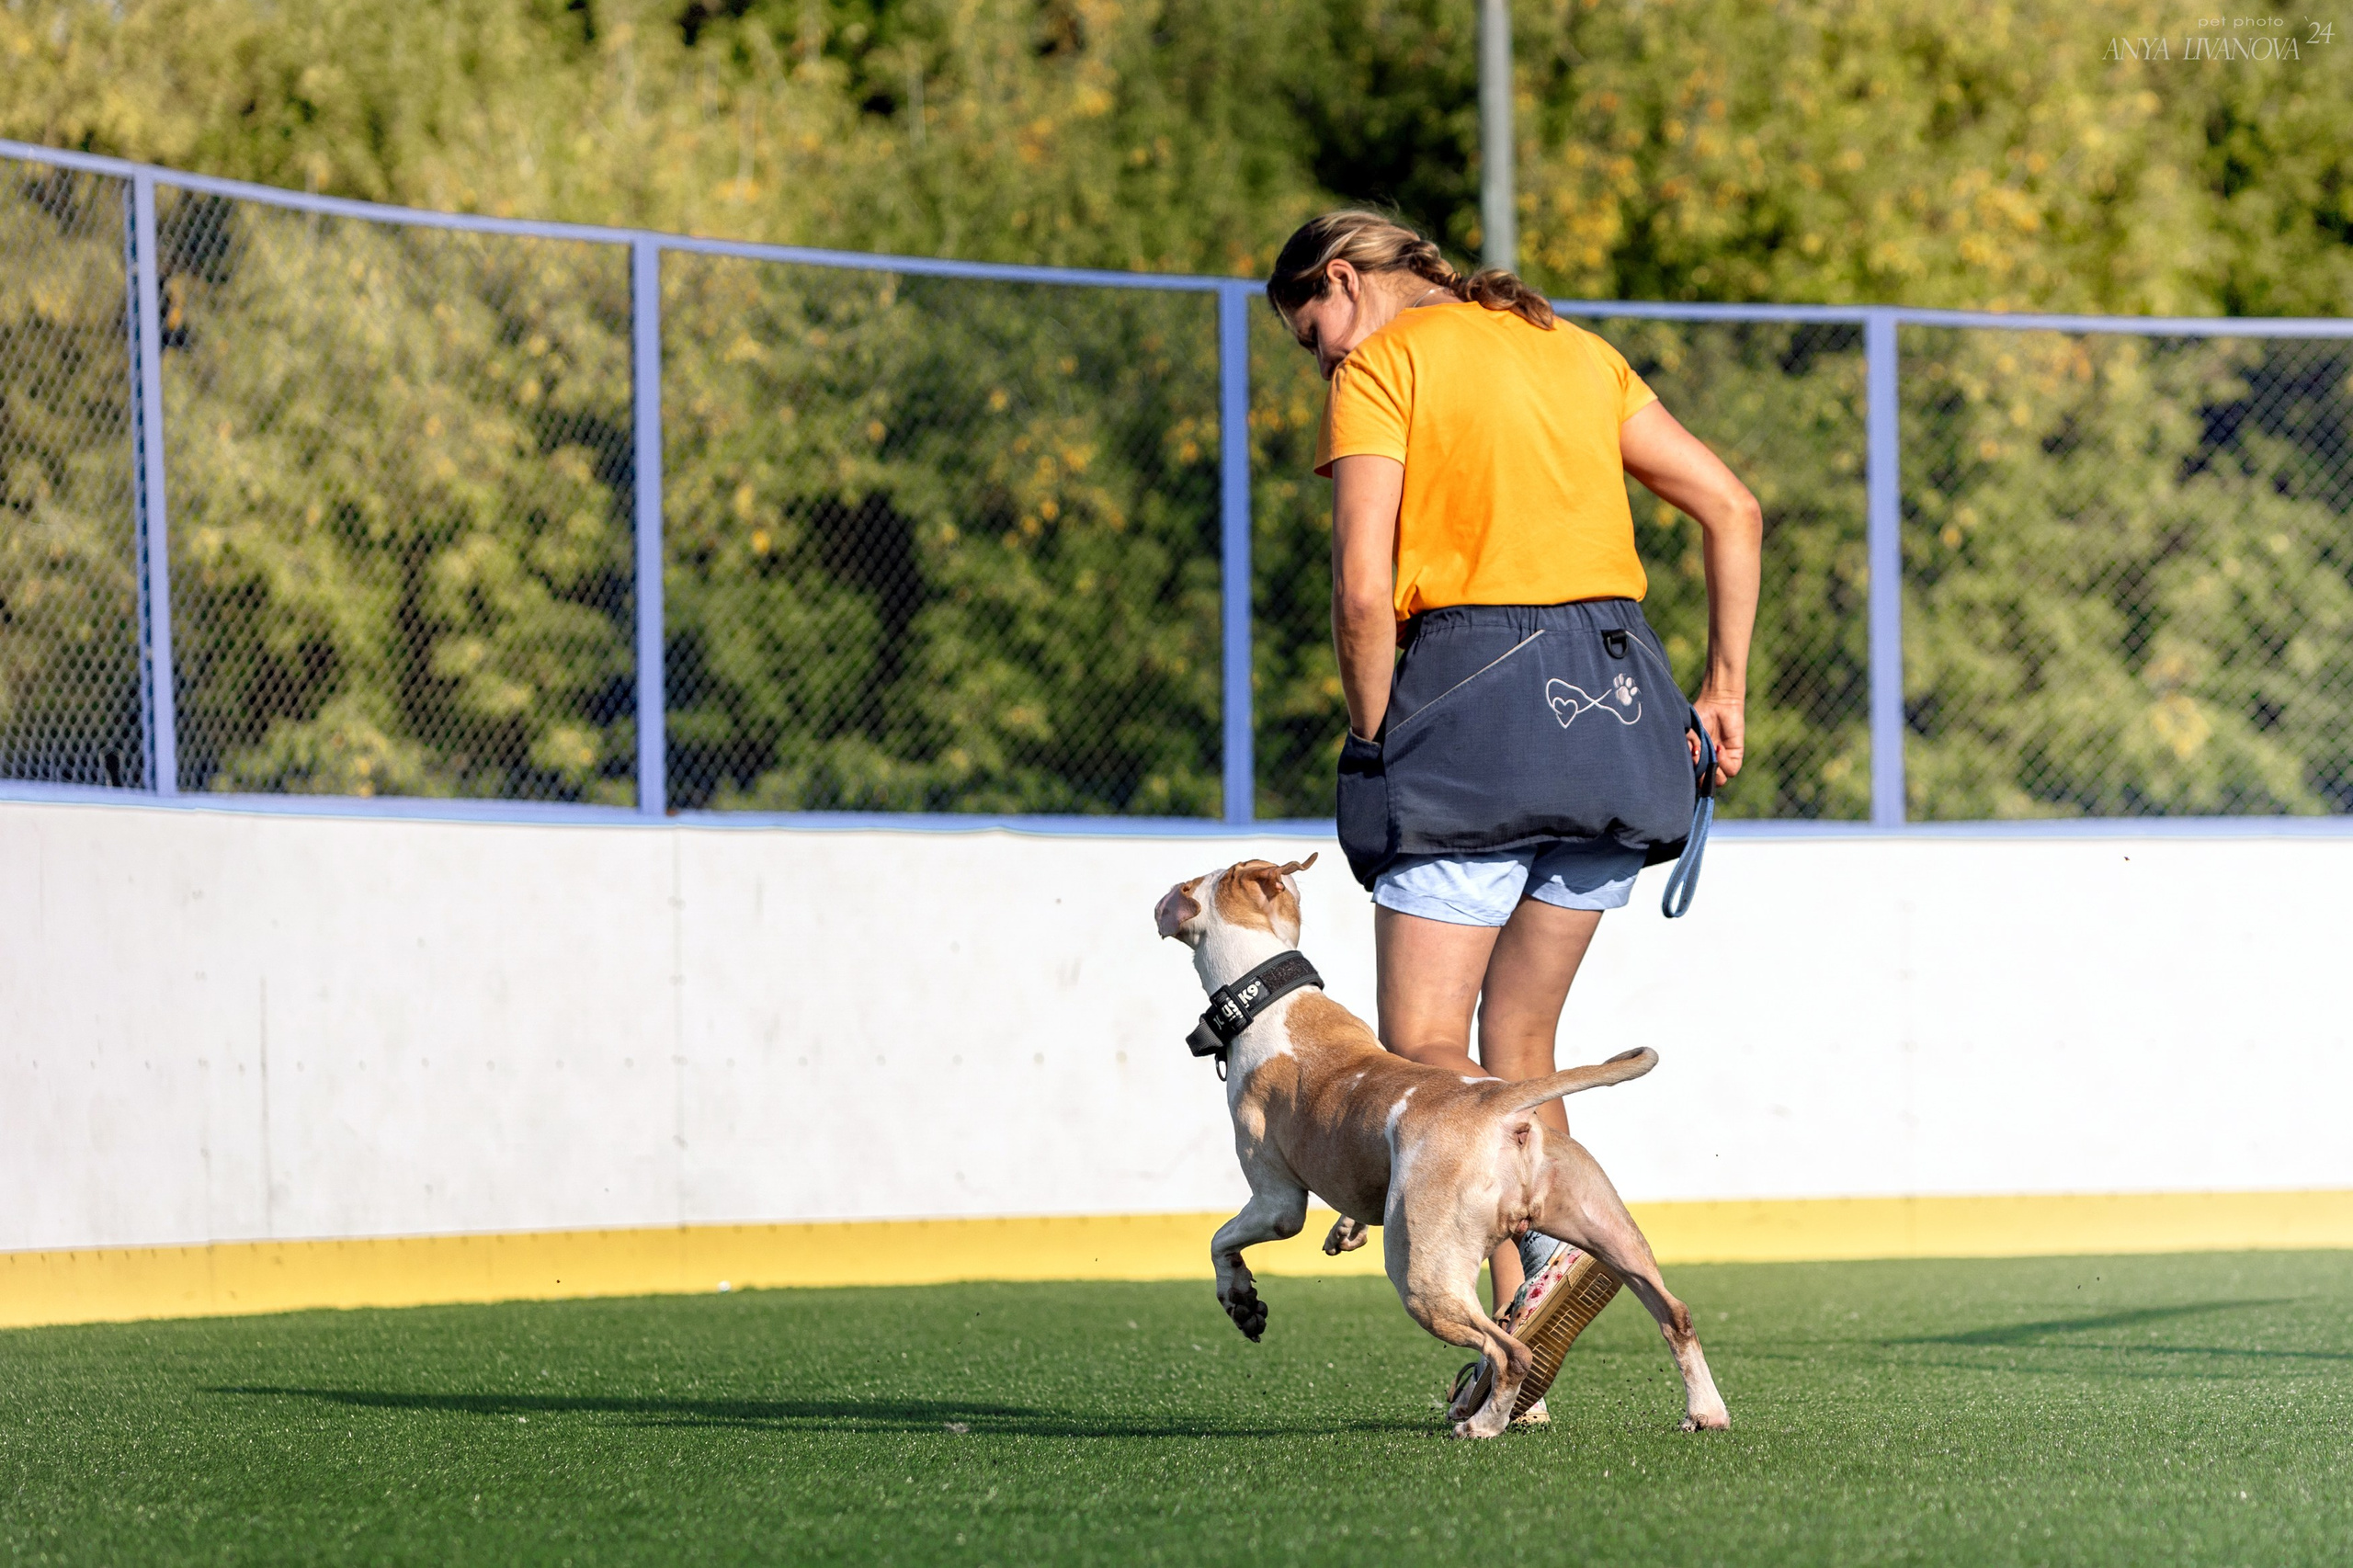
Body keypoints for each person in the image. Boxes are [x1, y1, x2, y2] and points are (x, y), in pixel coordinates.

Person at [1267, 210, 1761, 1422]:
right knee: (1522, 1053)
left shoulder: (1389, 366)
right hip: (1620, 719)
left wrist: (1379, 738)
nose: (1324, 362)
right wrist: (1724, 690)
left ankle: (1519, 1339)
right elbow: (1734, 507)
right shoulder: (1573, 349)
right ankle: (1536, 1315)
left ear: (1343, 281)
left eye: (1313, 334)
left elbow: (1364, 588)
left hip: (1471, 724)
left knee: (1431, 1060)